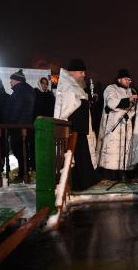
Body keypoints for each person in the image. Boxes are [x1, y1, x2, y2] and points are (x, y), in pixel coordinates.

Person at [54, 59, 100, 191]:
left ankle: (86, 180)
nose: (83, 75)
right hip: (73, 129)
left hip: (80, 130)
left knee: (82, 157)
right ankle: (79, 183)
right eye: (81, 72)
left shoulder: (74, 85)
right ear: (72, 72)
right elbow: (67, 109)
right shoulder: (68, 87)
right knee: (76, 158)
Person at [96, 69, 138, 180]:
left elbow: (133, 108)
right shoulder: (111, 88)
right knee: (113, 150)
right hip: (114, 125)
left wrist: (131, 112)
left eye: (129, 79)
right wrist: (127, 100)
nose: (128, 81)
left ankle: (124, 172)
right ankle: (111, 174)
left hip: (126, 124)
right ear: (119, 79)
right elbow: (111, 103)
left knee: (125, 149)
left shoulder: (130, 91)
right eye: (126, 79)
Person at [3, 69, 35, 181]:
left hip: (18, 128)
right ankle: (24, 173)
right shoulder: (27, 91)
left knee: (20, 152)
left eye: (11, 80)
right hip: (24, 127)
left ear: (17, 80)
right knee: (23, 152)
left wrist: (10, 124)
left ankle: (23, 174)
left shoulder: (20, 93)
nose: (10, 82)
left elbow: (16, 111)